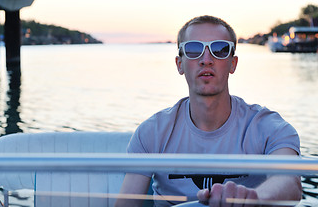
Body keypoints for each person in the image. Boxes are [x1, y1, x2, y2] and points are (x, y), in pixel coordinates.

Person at [115, 15, 302, 207]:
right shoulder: (153, 132)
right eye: (193, 49)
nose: (206, 59)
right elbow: (127, 203)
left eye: (219, 50)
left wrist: (250, 199)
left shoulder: (267, 126)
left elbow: (289, 183)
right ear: (180, 64)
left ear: (233, 64)